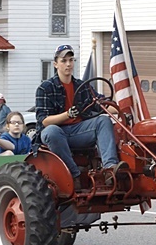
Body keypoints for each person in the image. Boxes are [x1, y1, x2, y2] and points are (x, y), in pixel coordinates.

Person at [35, 44, 128, 190]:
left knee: (103, 120)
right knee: (51, 131)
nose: (68, 64)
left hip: (79, 131)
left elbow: (101, 104)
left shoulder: (82, 85)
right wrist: (67, 115)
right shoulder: (45, 88)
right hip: (58, 132)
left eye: (71, 60)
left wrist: (122, 109)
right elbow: (44, 120)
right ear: (55, 64)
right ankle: (74, 174)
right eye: (64, 61)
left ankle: (110, 169)